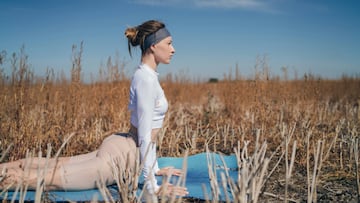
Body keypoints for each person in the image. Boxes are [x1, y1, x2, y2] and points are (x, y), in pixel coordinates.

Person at [0, 19, 188, 197]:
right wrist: (152, 186)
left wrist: (155, 168)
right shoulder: (146, 80)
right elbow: (145, 135)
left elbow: (149, 131)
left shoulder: (147, 76)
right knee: (43, 179)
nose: (174, 49)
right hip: (124, 157)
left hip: (122, 144)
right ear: (154, 46)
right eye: (169, 43)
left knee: (53, 165)